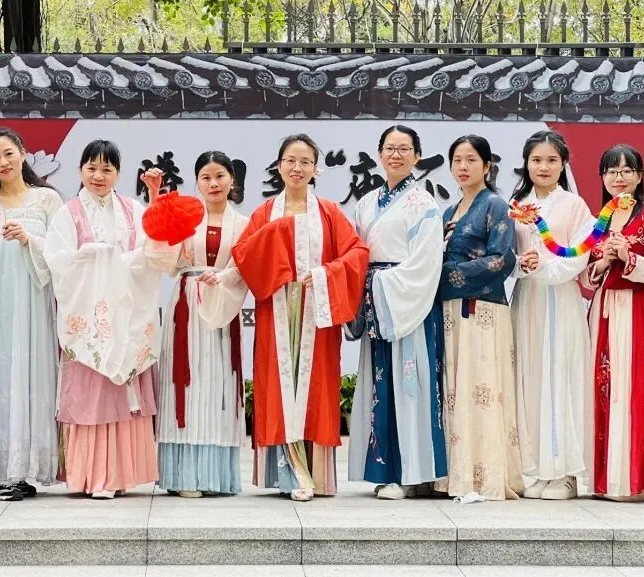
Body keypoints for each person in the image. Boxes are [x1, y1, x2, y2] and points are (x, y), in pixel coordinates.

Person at [231, 134, 369, 501]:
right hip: (275, 311)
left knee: (316, 388)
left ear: (315, 169)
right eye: (290, 160)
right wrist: (274, 253)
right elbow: (243, 254)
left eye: (305, 161)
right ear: (278, 166)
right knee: (278, 387)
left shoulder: (329, 212)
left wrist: (324, 275)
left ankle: (316, 476)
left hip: (315, 311)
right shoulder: (265, 213)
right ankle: (289, 475)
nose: (297, 168)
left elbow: (357, 253)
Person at [43, 140, 177, 498]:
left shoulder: (132, 210)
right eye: (92, 168)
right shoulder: (68, 214)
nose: (99, 176)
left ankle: (121, 475)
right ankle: (92, 476)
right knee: (93, 393)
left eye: (107, 169)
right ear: (80, 170)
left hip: (127, 313)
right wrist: (92, 256)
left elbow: (151, 252)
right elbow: (57, 260)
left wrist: (120, 259)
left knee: (121, 392)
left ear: (118, 173)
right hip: (89, 315)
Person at [0, 128, 64, 500]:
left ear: (23, 152)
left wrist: (29, 239)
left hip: (32, 304)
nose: (3, 162)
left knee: (29, 377)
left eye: (8, 153)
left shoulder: (47, 199)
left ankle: (22, 470)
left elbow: (64, 253)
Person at [348, 125, 446, 500]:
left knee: (410, 386)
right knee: (380, 387)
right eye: (390, 148)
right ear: (379, 154)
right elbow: (356, 253)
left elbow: (427, 262)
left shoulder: (424, 204)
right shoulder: (365, 203)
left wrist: (381, 285)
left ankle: (411, 474)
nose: (396, 155)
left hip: (406, 302)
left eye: (405, 149)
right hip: (378, 301)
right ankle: (384, 470)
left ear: (417, 156)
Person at [581, 144, 644, 501]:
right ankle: (607, 479)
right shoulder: (598, 223)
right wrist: (604, 262)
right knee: (606, 386)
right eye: (611, 171)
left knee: (641, 386)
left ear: (640, 176)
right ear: (602, 178)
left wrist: (628, 256)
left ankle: (641, 481)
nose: (618, 177)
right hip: (606, 309)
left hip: (643, 307)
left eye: (626, 170)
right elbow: (587, 277)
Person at [156, 151, 250, 497]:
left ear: (231, 180)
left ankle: (217, 477)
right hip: (187, 306)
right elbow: (166, 260)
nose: (213, 183)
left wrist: (222, 277)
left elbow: (245, 264)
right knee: (186, 383)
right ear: (196, 182)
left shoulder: (243, 223)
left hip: (222, 306)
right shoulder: (186, 218)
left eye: (220, 176)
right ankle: (184, 476)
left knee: (218, 384)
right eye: (206, 177)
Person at [436, 135, 523, 501]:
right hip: (450, 312)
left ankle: (487, 475)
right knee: (456, 391)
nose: (463, 166)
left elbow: (502, 259)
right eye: (457, 160)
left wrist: (447, 275)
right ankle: (455, 475)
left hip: (482, 309)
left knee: (483, 390)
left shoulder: (496, 205)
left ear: (487, 166)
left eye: (471, 159)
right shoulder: (447, 212)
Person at [510, 130, 594, 500]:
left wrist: (543, 267)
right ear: (526, 164)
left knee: (560, 377)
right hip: (527, 299)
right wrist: (520, 265)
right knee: (529, 377)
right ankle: (534, 468)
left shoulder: (575, 206)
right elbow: (506, 254)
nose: (543, 167)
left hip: (560, 298)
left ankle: (564, 471)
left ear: (563, 165)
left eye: (551, 160)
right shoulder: (516, 205)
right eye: (536, 160)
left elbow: (580, 256)